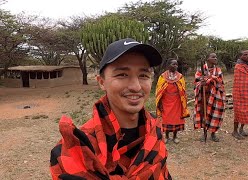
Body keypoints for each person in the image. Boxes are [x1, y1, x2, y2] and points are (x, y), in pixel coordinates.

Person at [50, 38, 172, 179]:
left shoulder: (154, 130)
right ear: (101, 82)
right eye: (122, 75)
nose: (136, 87)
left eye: (143, 75)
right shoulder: (76, 150)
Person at [155, 58, 190, 144]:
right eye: (173, 64)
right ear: (168, 65)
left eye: (176, 64)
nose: (175, 66)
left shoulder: (180, 77)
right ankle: (167, 136)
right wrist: (159, 103)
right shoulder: (163, 77)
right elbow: (159, 90)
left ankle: (175, 136)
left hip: (177, 101)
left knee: (176, 119)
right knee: (166, 119)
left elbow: (183, 90)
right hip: (166, 101)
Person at [194, 53, 226, 142]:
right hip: (204, 95)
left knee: (214, 113)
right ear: (207, 59)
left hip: (215, 95)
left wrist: (210, 79)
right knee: (204, 113)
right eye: (213, 57)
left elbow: (220, 82)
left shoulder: (218, 70)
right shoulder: (201, 69)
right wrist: (202, 83)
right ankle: (204, 132)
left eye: (216, 57)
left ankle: (213, 133)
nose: (215, 58)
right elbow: (197, 80)